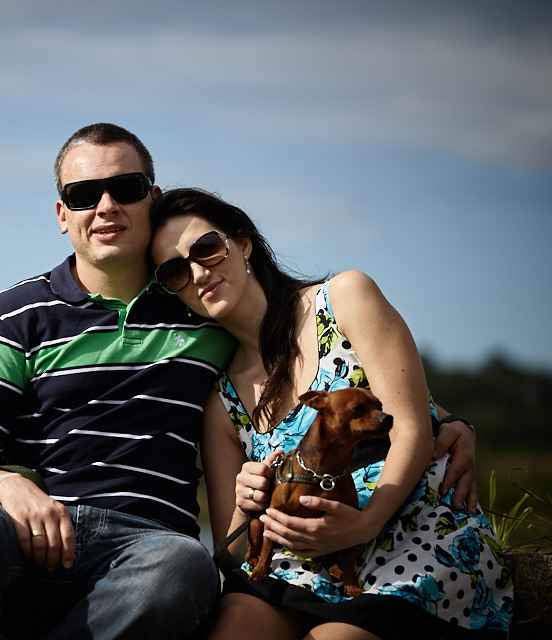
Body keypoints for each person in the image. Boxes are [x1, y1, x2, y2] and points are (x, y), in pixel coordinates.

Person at [0, 123, 479, 639]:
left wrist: (443, 422)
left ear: (152, 197)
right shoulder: (13, 315)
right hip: (36, 538)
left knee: (184, 566)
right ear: (61, 214)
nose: (105, 206)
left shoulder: (199, 307)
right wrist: (5, 486)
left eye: (124, 188)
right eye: (82, 194)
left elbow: (327, 371)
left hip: (147, 553)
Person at [148, 187, 513, 639]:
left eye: (205, 248)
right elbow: (232, 550)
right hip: (296, 565)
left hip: (405, 542)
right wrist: (245, 507)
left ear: (242, 243)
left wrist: (363, 523)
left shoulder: (343, 298)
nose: (198, 271)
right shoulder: (220, 400)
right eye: (174, 271)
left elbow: (413, 426)